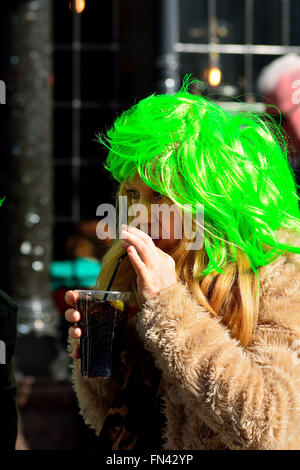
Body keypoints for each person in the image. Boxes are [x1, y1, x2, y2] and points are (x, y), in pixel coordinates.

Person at [65, 77, 300, 450]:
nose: (140, 213)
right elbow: (112, 420)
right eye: (132, 194)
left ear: (211, 196)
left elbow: (274, 429)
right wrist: (97, 360)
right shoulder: (128, 264)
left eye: (159, 195)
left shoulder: (279, 271)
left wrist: (169, 306)